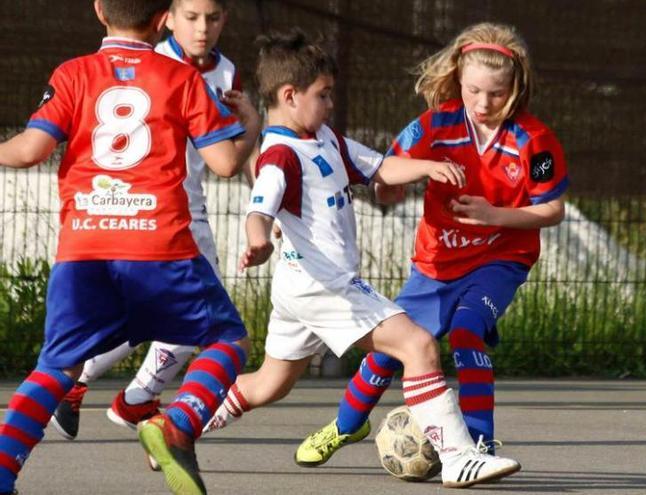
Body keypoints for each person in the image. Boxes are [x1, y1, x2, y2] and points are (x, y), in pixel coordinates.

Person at [203, 29, 521, 488]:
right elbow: (260, 207)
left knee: (270, 384)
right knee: (418, 346)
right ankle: (457, 458)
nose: (330, 103)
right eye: (324, 95)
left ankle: (181, 427)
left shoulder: (323, 138)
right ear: (290, 96)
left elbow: (379, 168)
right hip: (325, 286)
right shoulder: (280, 155)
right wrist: (258, 240)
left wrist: (426, 168)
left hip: (299, 289)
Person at [0, 1, 259, 494]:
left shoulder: (74, 73)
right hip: (160, 246)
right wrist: (248, 124)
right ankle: (176, 422)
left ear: (99, 10)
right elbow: (225, 163)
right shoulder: (182, 78)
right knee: (228, 341)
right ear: (164, 17)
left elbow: (30, 150)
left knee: (57, 366)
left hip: (86, 247)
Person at [292, 21, 569, 464]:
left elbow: (551, 208)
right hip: (437, 264)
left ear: (516, 87)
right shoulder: (431, 127)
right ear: (458, 79)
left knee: (465, 332)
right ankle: (346, 425)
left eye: (496, 94)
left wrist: (493, 215)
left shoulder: (535, 143)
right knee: (389, 351)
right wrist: (393, 188)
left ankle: (477, 446)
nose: (483, 103)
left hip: (501, 259)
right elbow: (388, 178)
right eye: (473, 90)